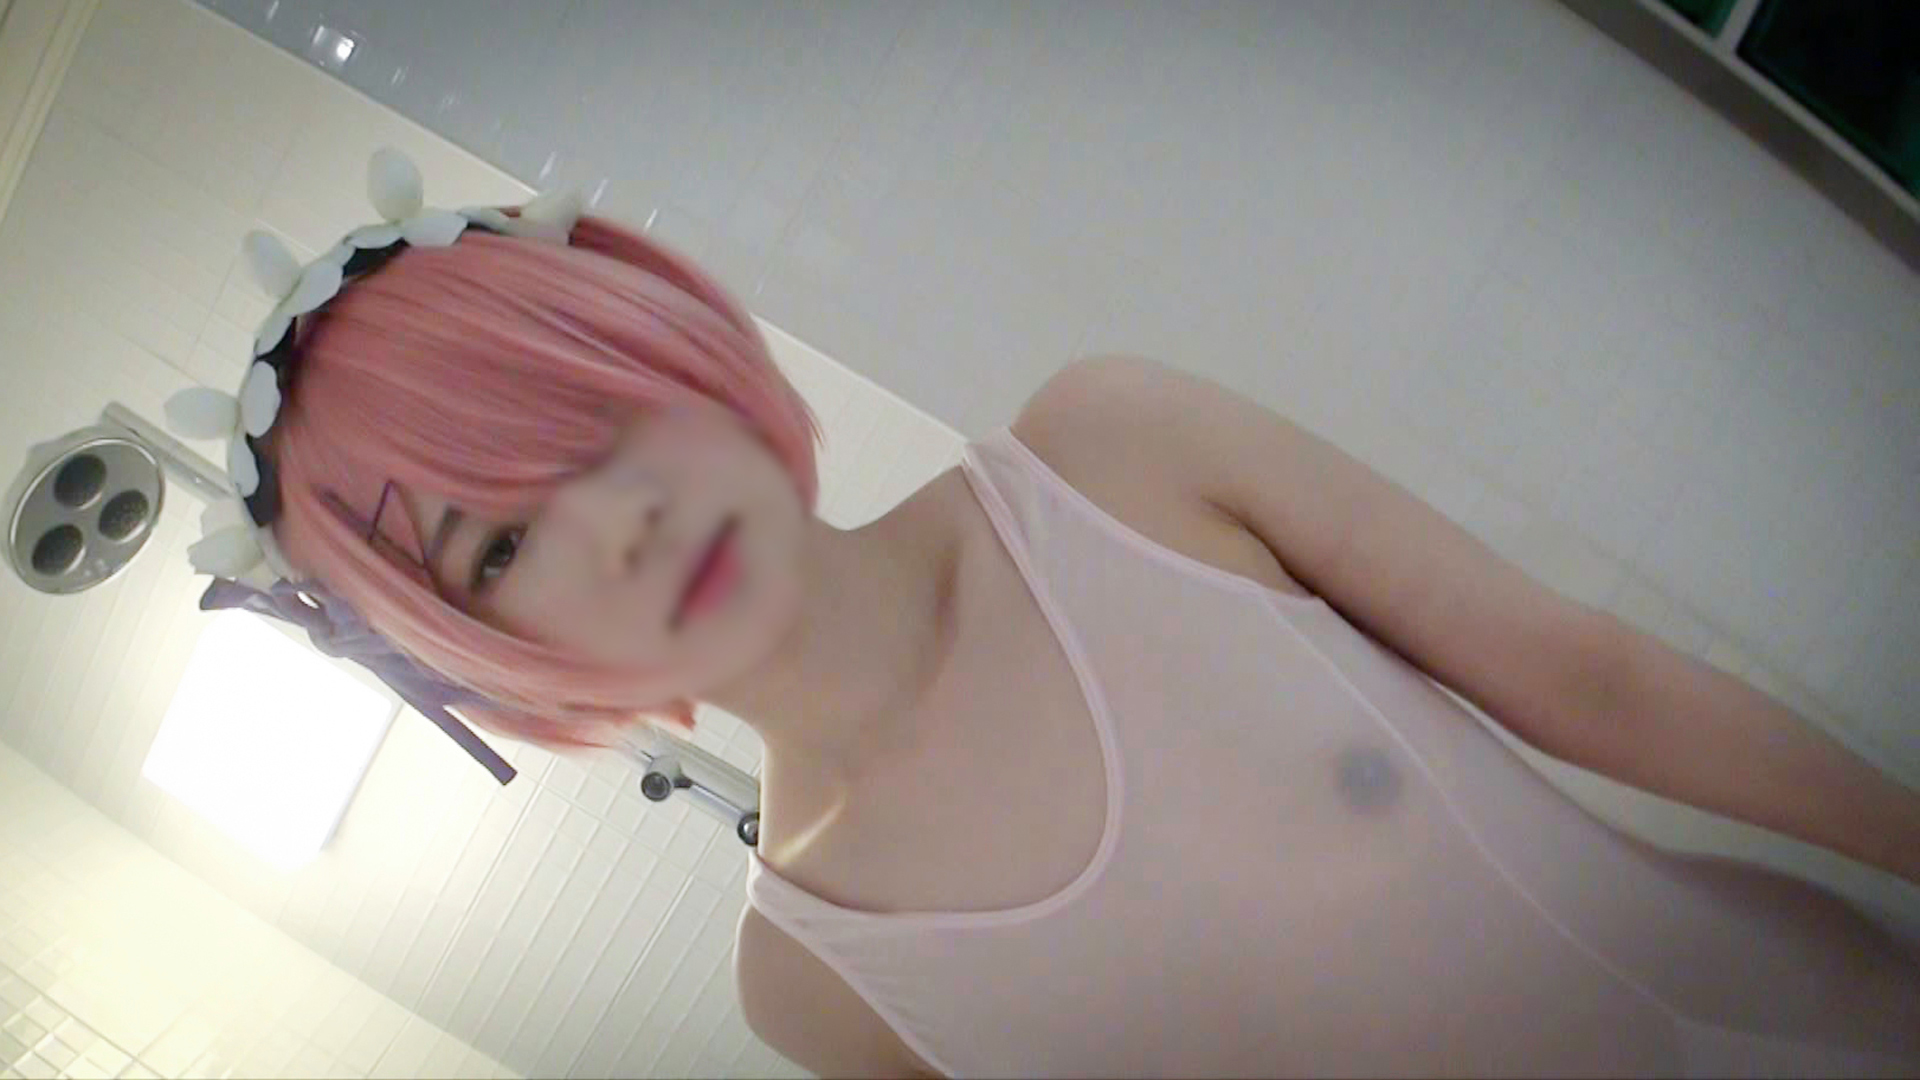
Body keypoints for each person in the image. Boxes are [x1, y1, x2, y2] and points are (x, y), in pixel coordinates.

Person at [175, 148, 1920, 1078]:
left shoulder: (1114, 452)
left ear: (668, 350)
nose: (611, 525)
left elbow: (1591, 680)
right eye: (494, 553)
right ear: (474, 646)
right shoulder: (813, 983)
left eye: (583, 419)